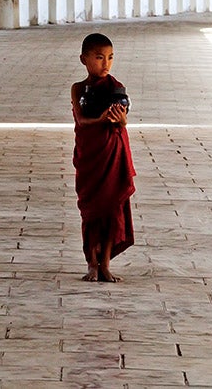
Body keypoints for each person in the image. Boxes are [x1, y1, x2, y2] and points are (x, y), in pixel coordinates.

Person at [71, 33, 136, 282]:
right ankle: (91, 263)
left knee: (112, 208)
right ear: (84, 59)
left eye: (110, 57)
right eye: (99, 58)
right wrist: (99, 120)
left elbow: (124, 119)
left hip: (113, 152)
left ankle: (106, 263)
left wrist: (121, 119)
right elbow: (81, 120)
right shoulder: (78, 89)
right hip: (91, 156)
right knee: (91, 211)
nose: (105, 64)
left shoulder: (116, 88)